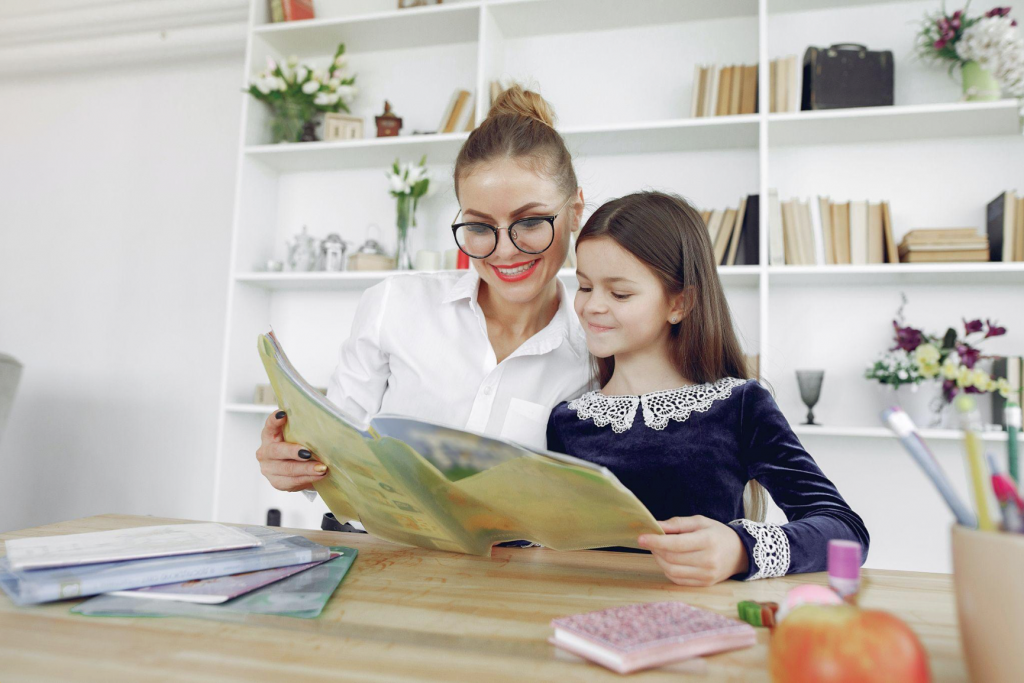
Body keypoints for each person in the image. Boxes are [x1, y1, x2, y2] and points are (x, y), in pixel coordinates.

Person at [256, 84, 591, 494]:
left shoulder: (596, 349)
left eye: (531, 222)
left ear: (575, 213)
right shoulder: (394, 305)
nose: (504, 251)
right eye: (480, 227)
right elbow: (331, 456)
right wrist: (292, 466)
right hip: (383, 552)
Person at [546, 191, 869, 586]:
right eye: (583, 286)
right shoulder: (565, 421)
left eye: (620, 293)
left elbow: (845, 530)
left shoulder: (739, 406)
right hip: (582, 625)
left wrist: (738, 549)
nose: (592, 306)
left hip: (704, 624)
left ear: (680, 303)